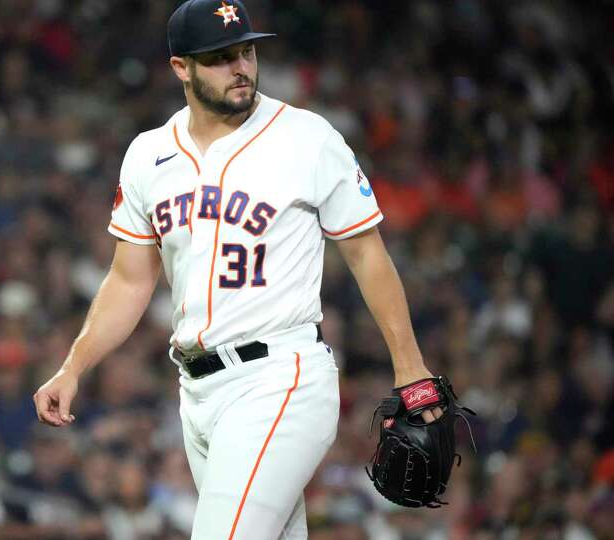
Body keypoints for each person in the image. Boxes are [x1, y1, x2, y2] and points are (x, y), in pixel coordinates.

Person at [34, 1, 442, 538]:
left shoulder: (306, 137)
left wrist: (409, 366)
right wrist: (73, 367)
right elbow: (130, 279)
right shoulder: (148, 155)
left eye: (246, 51)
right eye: (221, 57)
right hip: (197, 393)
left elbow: (367, 253)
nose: (241, 67)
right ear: (182, 67)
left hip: (280, 378)